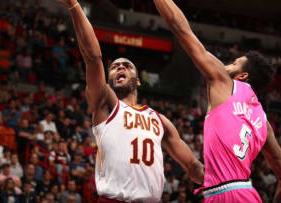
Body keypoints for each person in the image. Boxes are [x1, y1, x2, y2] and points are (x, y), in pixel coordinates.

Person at [58, 0, 204, 202]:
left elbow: (193, 167)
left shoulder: (160, 121)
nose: (120, 68)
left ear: (138, 80)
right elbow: (92, 57)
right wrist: (74, 5)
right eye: (115, 67)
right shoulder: (106, 104)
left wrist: (226, 182)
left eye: (127, 65)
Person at [153, 0, 281, 202]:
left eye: (234, 63)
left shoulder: (223, 82)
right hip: (247, 193)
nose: (227, 65)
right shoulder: (264, 123)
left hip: (224, 193)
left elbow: (181, 29)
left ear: (243, 75)